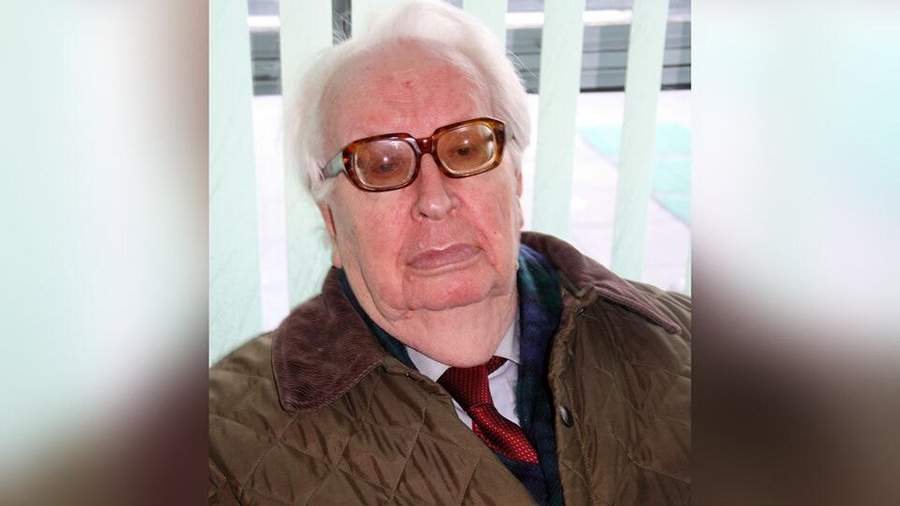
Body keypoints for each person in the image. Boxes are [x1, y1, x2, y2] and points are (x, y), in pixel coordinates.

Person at [208, 1, 690, 504]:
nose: (434, 200)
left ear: (516, 180)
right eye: (383, 164)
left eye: (465, 149)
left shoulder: (694, 350)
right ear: (331, 222)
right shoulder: (222, 450)